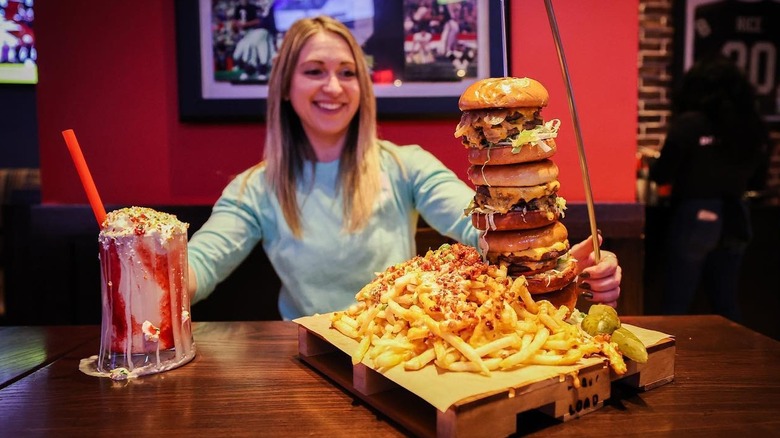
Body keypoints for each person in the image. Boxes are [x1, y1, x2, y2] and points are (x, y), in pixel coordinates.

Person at [187, 15, 622, 320]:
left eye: (348, 73)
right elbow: (200, 267)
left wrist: (565, 264)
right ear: (284, 88)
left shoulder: (405, 164)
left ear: (363, 87)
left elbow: (482, 226)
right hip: (305, 360)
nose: (333, 87)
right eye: (314, 71)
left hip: (397, 352)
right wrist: (145, 281)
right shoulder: (254, 188)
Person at [649, 55, 770, 321]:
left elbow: (661, 174)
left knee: (676, 305)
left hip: (696, 217)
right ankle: (736, 362)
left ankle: (670, 362)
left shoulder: (690, 124)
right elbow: (760, 182)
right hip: (737, 216)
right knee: (726, 305)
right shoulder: (752, 125)